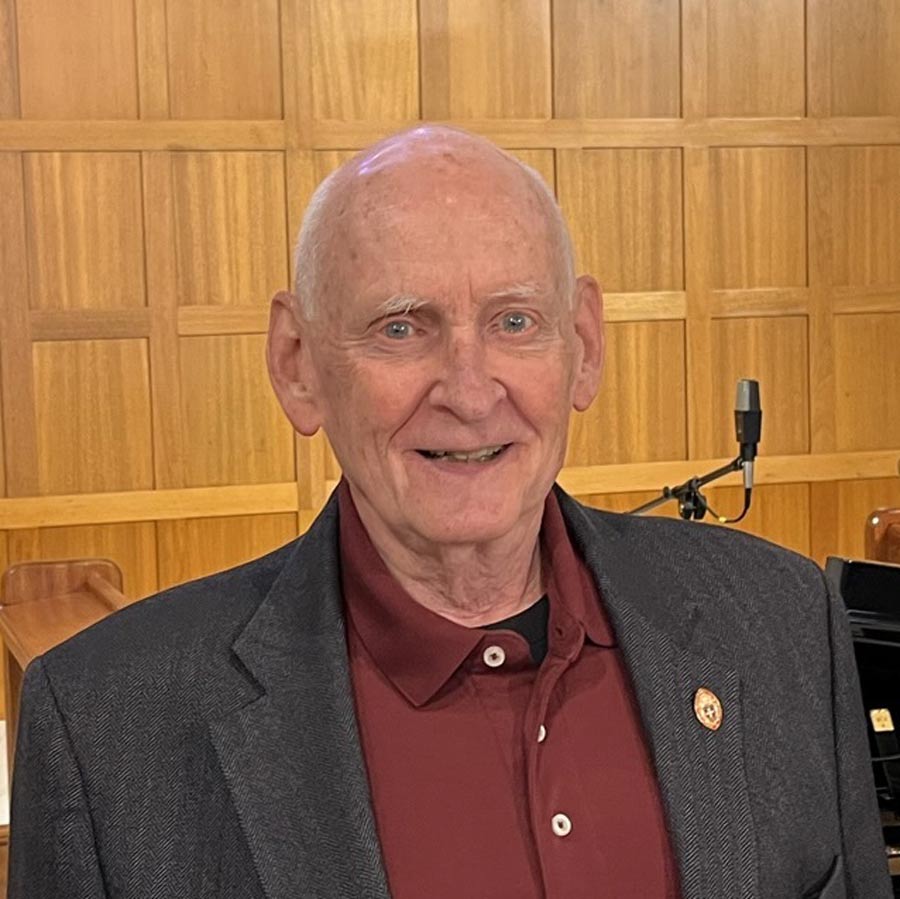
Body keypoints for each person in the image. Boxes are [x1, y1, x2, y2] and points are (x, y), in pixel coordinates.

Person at [8, 126, 891, 899]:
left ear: (582, 347)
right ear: (297, 364)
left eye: (514, 321)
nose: (470, 393)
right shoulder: (108, 729)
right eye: (402, 327)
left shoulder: (781, 623)